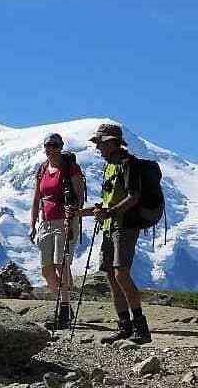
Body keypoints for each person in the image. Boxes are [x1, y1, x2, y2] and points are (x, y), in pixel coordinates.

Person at [76, 123, 151, 344]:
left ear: (110, 142)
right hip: (110, 227)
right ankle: (124, 326)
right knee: (111, 276)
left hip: (125, 226)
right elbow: (110, 199)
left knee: (121, 274)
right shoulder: (109, 167)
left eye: (100, 143)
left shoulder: (128, 164)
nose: (98, 148)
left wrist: (110, 212)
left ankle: (141, 327)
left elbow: (133, 197)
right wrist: (87, 212)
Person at [30, 133, 85, 330]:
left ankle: (63, 309)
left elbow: (79, 195)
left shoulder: (70, 167)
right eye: (48, 145)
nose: (51, 148)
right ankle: (66, 304)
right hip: (46, 222)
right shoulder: (43, 168)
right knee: (46, 269)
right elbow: (37, 197)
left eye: (55, 145)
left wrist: (74, 212)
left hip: (65, 221)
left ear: (61, 147)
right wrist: (33, 223)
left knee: (60, 263)